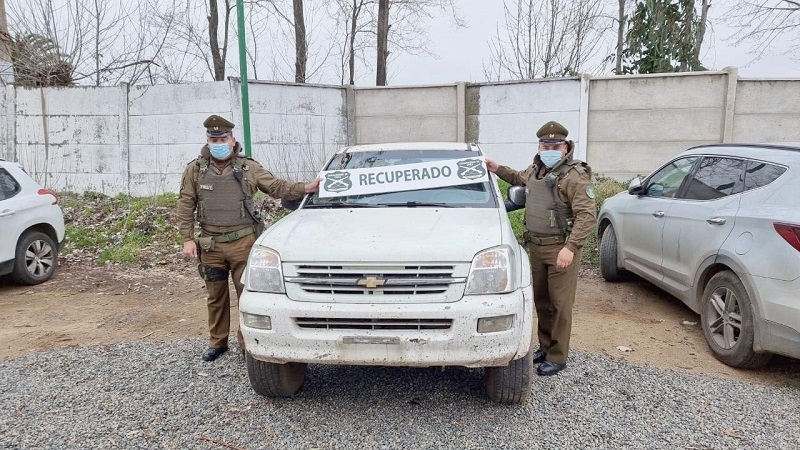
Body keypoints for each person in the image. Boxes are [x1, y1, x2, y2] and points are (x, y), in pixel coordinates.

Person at [177, 115, 320, 362]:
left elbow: (276, 187)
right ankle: (217, 342)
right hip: (210, 244)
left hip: (243, 243)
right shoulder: (195, 169)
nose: (218, 142)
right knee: (215, 295)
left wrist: (306, 188)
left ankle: (247, 342)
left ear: (232, 140)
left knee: (247, 296)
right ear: (208, 141)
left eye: (223, 138)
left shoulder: (248, 168)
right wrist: (187, 238)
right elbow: (185, 203)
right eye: (214, 139)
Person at [485, 121, 596, 376]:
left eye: (555, 146)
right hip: (536, 247)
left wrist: (571, 247)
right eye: (546, 145)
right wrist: (496, 168)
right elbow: (518, 178)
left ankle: (558, 356)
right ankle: (545, 348)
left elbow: (587, 216)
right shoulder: (537, 170)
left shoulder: (574, 176)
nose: (550, 149)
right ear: (539, 146)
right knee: (542, 301)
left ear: (565, 147)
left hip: (560, 249)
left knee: (560, 304)